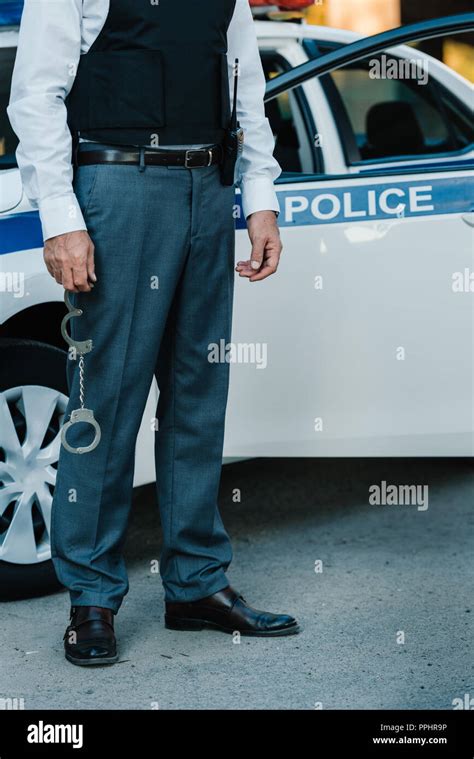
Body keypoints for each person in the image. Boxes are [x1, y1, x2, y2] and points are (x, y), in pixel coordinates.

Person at [8, 0, 300, 667]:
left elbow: (243, 87)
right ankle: (91, 596)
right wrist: (60, 217)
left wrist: (260, 200)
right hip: (117, 183)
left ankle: (195, 583)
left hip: (208, 186)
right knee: (104, 401)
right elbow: (37, 94)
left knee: (200, 394)